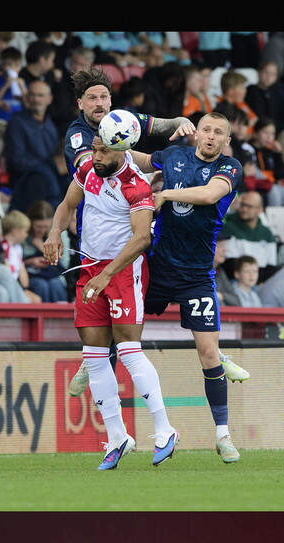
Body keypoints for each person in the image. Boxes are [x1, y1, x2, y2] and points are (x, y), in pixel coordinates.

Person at [42, 135, 179, 469]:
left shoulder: (136, 186)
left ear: (123, 151)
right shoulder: (88, 168)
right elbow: (66, 205)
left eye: (104, 150)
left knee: (129, 349)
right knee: (93, 354)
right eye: (95, 147)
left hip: (122, 271)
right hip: (89, 267)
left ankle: (164, 430)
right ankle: (118, 437)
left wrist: (107, 275)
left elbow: (142, 237)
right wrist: (53, 233)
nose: (96, 155)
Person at [62, 66, 199, 397]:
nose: (100, 103)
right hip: (98, 238)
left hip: (132, 227)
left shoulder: (120, 121)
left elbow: (156, 124)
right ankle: (98, 356)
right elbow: (103, 162)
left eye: (104, 96)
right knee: (106, 316)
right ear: (80, 103)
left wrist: (179, 122)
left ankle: (212, 348)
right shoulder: (78, 136)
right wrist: (155, 160)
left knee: (160, 279)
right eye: (92, 97)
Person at [128, 111, 252, 463]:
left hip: (197, 275)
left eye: (219, 133)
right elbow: (138, 158)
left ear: (226, 141)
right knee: (123, 332)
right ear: (196, 134)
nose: (211, 136)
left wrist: (165, 193)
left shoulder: (230, 168)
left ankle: (223, 436)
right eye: (206, 130)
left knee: (208, 354)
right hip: (158, 267)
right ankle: (90, 360)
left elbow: (211, 195)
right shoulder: (173, 156)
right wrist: (111, 145)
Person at [6, 80, 68, 214]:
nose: (36, 99)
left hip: (51, 181)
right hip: (28, 185)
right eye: (32, 95)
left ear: (49, 99)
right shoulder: (17, 122)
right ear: (27, 98)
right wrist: (45, 168)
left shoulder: (50, 125)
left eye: (40, 96)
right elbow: (16, 161)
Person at [220, 190, 278, 281]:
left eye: (249, 206)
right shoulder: (228, 228)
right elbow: (230, 264)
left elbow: (271, 265)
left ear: (260, 209)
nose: (244, 209)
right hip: (235, 282)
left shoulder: (268, 234)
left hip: (260, 285)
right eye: (242, 205)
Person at [22, 200, 69, 303]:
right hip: (31, 276)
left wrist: (43, 248)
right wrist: (31, 261)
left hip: (55, 275)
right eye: (38, 226)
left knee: (55, 284)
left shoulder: (60, 234)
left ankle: (59, 319)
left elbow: (64, 264)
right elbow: (16, 263)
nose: (42, 230)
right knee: (41, 285)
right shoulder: (24, 235)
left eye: (45, 227)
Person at [0, 210, 43, 303]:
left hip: (16, 285)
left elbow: (21, 269)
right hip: (7, 286)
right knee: (29, 301)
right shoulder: (3, 246)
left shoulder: (18, 248)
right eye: (25, 232)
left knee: (37, 299)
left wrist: (25, 289)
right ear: (15, 231)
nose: (27, 235)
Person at [244, 116, 284, 201]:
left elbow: (281, 176)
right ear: (255, 134)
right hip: (259, 187)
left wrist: (278, 155)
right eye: (265, 132)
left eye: (272, 134)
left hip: (274, 186)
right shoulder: (247, 150)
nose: (269, 137)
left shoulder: (272, 151)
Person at [213, 70, 258, 139]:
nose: (245, 91)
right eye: (241, 88)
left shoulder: (240, 104)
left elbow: (255, 119)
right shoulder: (218, 106)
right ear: (230, 91)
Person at [0, 46, 27, 123]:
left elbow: (28, 104)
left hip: (18, 122)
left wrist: (23, 88)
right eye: (9, 65)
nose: (13, 68)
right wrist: (6, 84)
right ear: (2, 65)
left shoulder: (22, 82)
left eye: (16, 65)